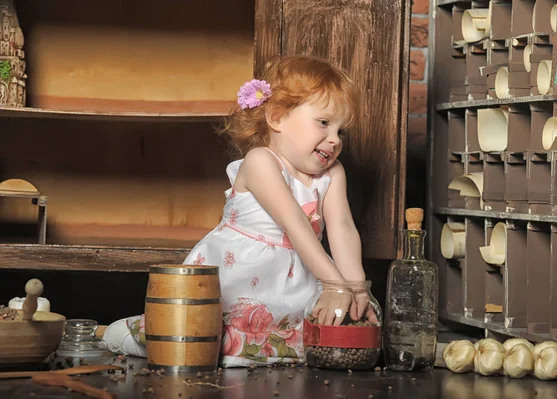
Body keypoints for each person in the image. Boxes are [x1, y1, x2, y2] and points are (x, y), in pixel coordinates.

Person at [102, 55, 375, 367]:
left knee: (303, 339)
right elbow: (294, 223)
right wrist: (335, 284)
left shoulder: (332, 174)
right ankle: (129, 334)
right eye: (324, 123)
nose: (334, 140)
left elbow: (342, 227)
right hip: (243, 272)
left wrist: (355, 289)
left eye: (341, 131)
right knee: (195, 332)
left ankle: (252, 350)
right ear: (277, 117)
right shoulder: (260, 161)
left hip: (297, 275)